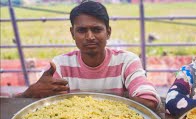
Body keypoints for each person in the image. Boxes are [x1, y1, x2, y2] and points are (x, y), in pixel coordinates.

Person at [16, 0, 160, 111]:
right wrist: (30, 92)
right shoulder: (60, 65)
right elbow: (41, 101)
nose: (90, 37)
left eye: (96, 29)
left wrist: (138, 96)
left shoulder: (127, 61)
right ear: (72, 33)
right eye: (82, 30)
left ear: (108, 32)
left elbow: (149, 99)